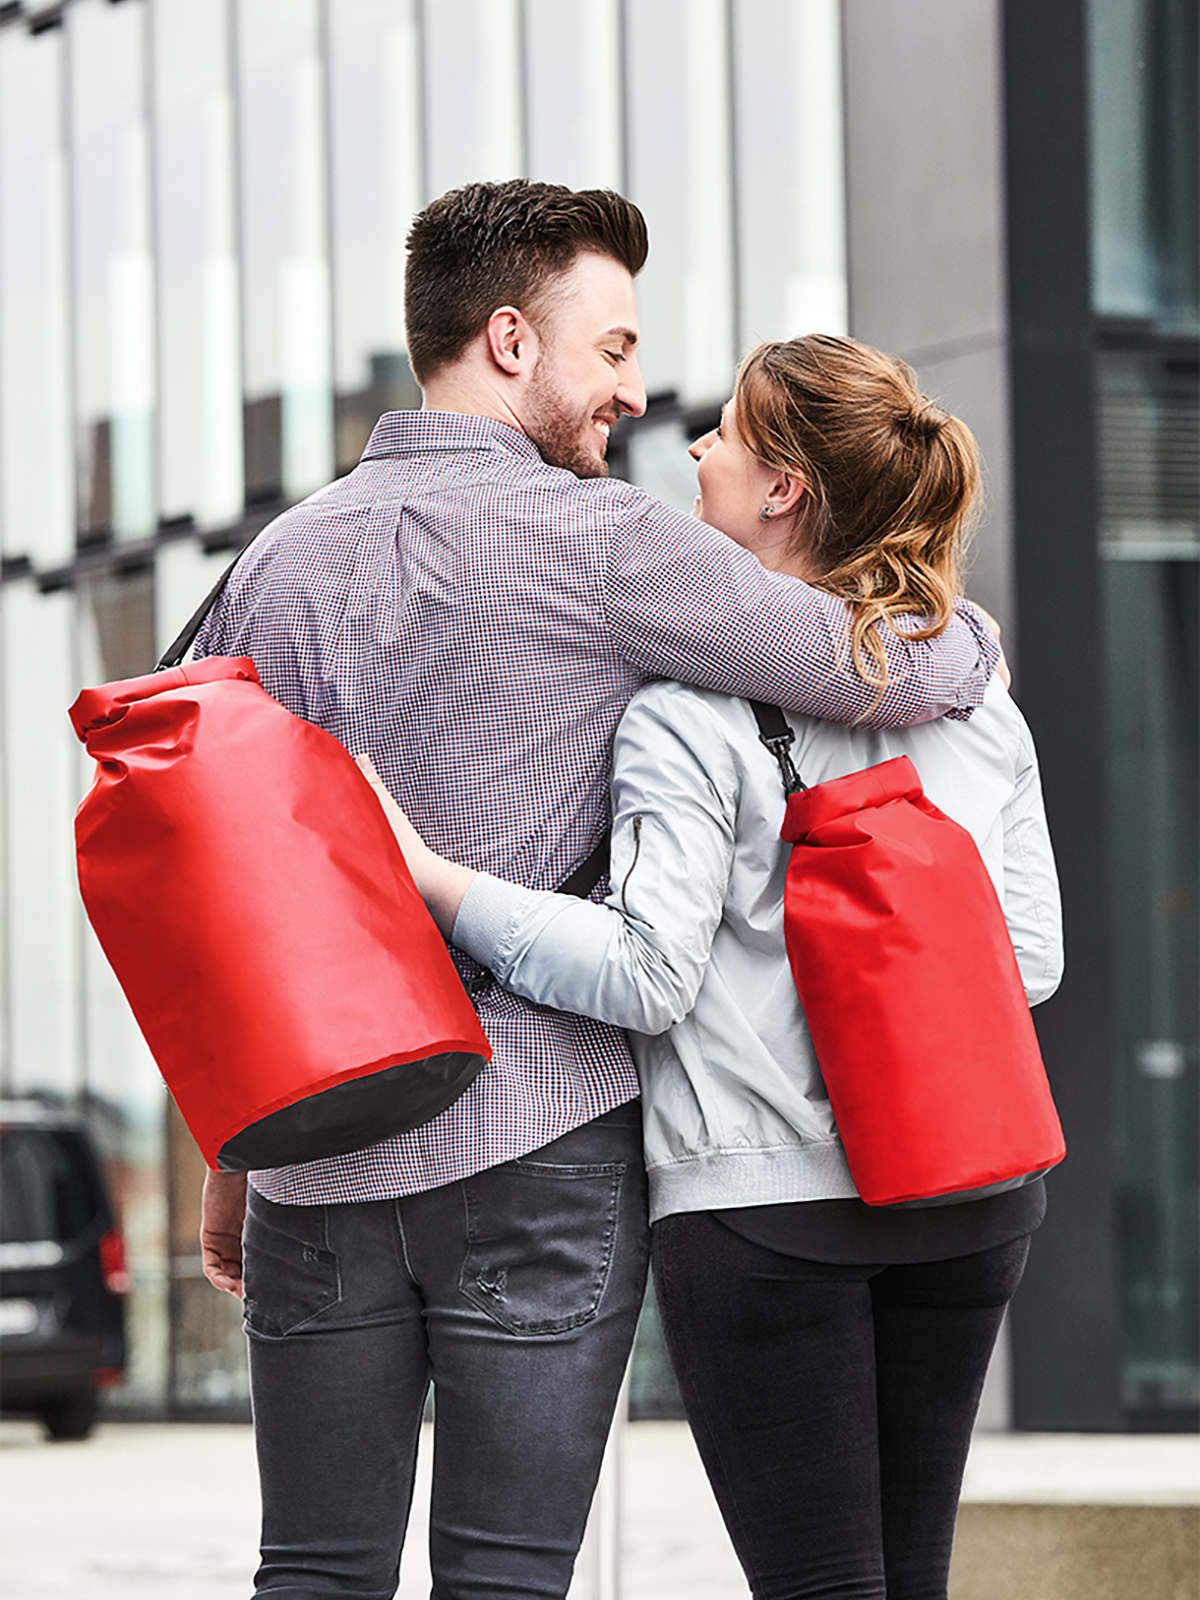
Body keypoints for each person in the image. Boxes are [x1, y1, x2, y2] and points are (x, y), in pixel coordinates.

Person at [195, 180, 1000, 1600]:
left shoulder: (272, 560)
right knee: (508, 1582)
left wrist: (234, 1151)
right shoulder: (610, 545)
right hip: (542, 1140)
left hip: (313, 1149)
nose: (633, 389)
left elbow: (221, 875)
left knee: (310, 1574)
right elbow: (889, 669)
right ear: (511, 340)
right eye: (614, 347)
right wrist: (971, 636)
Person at [377, 334, 1062, 1600]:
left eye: (728, 437)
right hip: (969, 1198)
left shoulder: (688, 713)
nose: (696, 450)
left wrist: (432, 878)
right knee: (912, 1577)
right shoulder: (974, 698)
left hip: (763, 1213)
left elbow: (646, 977)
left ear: (784, 489)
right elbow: (1027, 963)